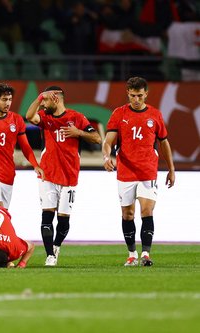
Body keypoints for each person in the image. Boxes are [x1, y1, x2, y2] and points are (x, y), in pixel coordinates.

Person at [102, 76, 175, 267]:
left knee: (147, 210)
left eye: (140, 96)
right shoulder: (119, 114)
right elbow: (108, 141)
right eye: (133, 96)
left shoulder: (155, 115)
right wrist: (106, 156)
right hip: (125, 172)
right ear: (128, 93)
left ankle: (146, 254)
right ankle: (132, 254)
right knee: (127, 214)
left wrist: (171, 168)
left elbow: (164, 142)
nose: (137, 99)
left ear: (146, 94)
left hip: (147, 171)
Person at [25, 86, 101, 266]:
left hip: (69, 175)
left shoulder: (76, 118)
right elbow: (29, 116)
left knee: (64, 220)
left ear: (56, 99)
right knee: (46, 216)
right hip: (48, 174)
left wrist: (79, 133)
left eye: (46, 100)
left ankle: (57, 245)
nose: (42, 104)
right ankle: (50, 255)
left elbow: (97, 138)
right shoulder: (45, 118)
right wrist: (39, 97)